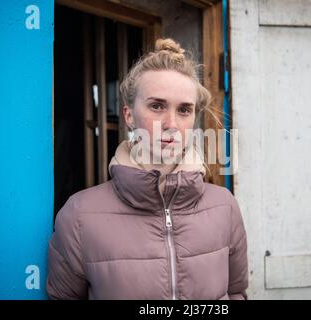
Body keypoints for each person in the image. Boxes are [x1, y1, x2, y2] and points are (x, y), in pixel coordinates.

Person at [46, 38, 248, 300]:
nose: (171, 123)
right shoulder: (78, 215)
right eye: (157, 106)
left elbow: (236, 294)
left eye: (185, 109)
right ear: (129, 115)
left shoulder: (224, 206)